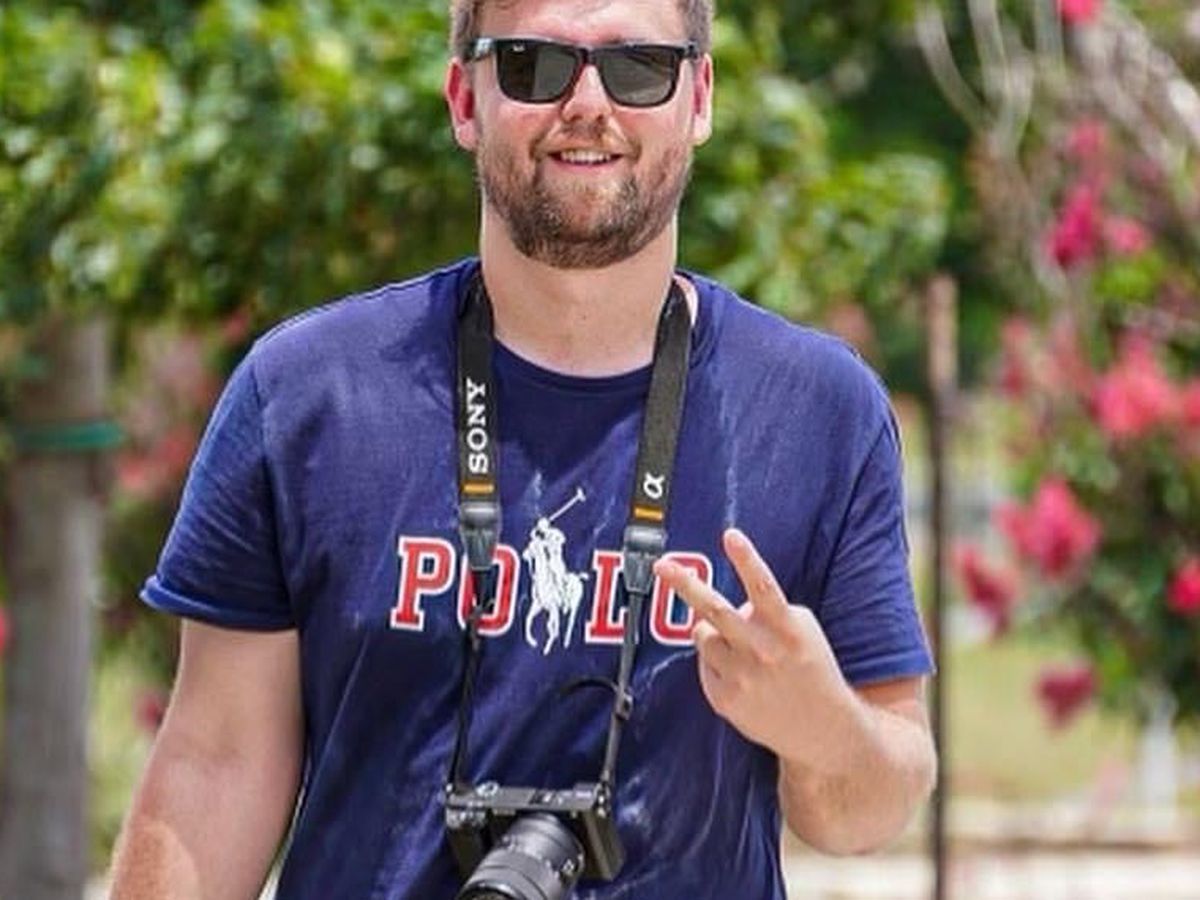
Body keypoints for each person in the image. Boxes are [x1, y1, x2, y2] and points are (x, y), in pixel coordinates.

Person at [109, 0, 937, 897]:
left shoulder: (820, 411)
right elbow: (216, 764)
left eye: (638, 67)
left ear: (699, 98)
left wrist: (823, 731)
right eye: (533, 65)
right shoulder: (307, 394)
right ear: (464, 100)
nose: (587, 104)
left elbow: (868, 810)